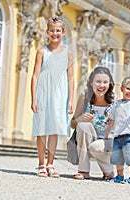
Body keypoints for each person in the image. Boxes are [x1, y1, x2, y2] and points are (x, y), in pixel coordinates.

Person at [31, 17, 74, 178]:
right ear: (47, 32)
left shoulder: (68, 53)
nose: (55, 33)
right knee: (41, 128)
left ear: (63, 32)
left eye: (58, 30)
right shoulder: (42, 51)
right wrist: (33, 98)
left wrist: (70, 99)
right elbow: (35, 75)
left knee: (54, 129)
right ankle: (41, 164)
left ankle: (50, 164)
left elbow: (70, 77)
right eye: (52, 30)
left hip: (60, 94)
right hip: (43, 92)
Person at [71, 66, 115, 180]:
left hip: (109, 141)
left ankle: (109, 171)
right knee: (83, 125)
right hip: (90, 139)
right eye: (98, 81)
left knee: (95, 147)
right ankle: (83, 170)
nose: (101, 85)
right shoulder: (85, 96)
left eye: (105, 82)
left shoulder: (116, 101)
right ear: (91, 82)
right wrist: (80, 119)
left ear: (110, 84)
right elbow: (72, 124)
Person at [105, 76, 130, 184]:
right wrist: (108, 131)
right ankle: (120, 176)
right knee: (118, 158)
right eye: (128, 88)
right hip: (118, 135)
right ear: (122, 88)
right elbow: (113, 119)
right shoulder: (117, 104)